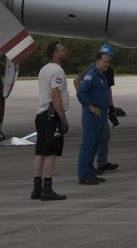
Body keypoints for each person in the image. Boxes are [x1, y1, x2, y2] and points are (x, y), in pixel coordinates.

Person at [31, 42, 69, 201]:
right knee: (50, 153)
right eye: (62, 49)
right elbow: (55, 95)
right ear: (55, 53)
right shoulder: (57, 70)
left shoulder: (44, 69)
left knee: (40, 152)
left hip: (41, 114)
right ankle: (47, 188)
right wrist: (62, 118)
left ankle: (37, 188)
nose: (65, 51)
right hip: (51, 114)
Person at [74, 43, 120, 173]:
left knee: (104, 136)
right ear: (99, 57)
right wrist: (87, 103)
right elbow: (77, 82)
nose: (108, 62)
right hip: (93, 111)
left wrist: (111, 108)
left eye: (109, 58)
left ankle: (100, 163)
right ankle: (89, 169)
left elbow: (108, 89)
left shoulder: (107, 70)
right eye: (106, 58)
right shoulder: (92, 70)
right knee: (90, 142)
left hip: (101, 111)